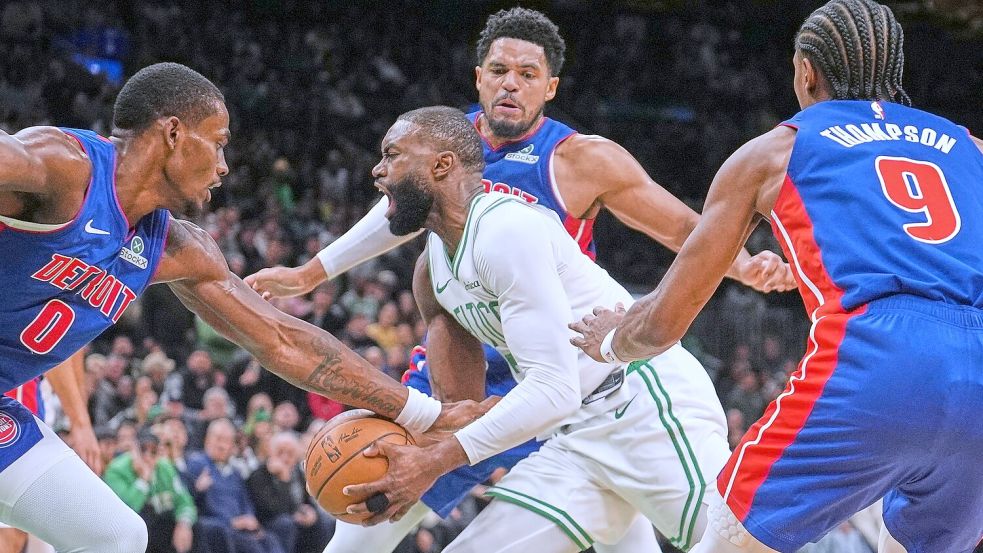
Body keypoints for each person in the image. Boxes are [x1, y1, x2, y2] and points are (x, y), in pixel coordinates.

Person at [245, 9, 794, 553]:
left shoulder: (574, 162)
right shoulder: (439, 157)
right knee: (376, 510)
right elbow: (394, 211)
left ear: (550, 86)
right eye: (499, 70)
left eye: (527, 74)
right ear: (478, 77)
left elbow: (678, 224)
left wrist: (743, 264)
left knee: (733, 541)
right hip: (529, 391)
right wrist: (312, 272)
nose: (510, 83)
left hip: (606, 382)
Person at [0, 62, 489, 552]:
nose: (224, 165)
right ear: (173, 133)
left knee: (116, 537)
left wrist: (425, 413)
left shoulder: (176, 247)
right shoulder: (65, 168)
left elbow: (284, 341)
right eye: (218, 142)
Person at [568, 1, 983, 552]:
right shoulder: (971, 148)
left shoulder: (773, 152)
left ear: (805, 71)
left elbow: (665, 322)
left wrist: (615, 342)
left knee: (727, 538)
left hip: (876, 356)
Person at [342, 106, 733, 553]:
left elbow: (553, 387)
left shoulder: (505, 230)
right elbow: (467, 402)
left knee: (737, 546)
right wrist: (435, 434)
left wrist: (434, 461)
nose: (378, 170)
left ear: (441, 165)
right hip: (573, 439)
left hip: (641, 407)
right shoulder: (434, 266)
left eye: (391, 154)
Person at [0, 351, 100, 553]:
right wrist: (80, 423)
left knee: (37, 538)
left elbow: (74, 347)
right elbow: (55, 346)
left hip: (37, 410)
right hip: (16, 403)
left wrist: (81, 416)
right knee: (12, 533)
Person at [102, 426, 196, 553]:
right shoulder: (116, 470)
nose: (147, 456)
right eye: (143, 449)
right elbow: (128, 509)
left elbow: (184, 500)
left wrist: (184, 524)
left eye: (153, 451)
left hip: (163, 528)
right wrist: (144, 480)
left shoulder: (165, 467)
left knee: (197, 528)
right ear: (134, 449)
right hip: (131, 531)